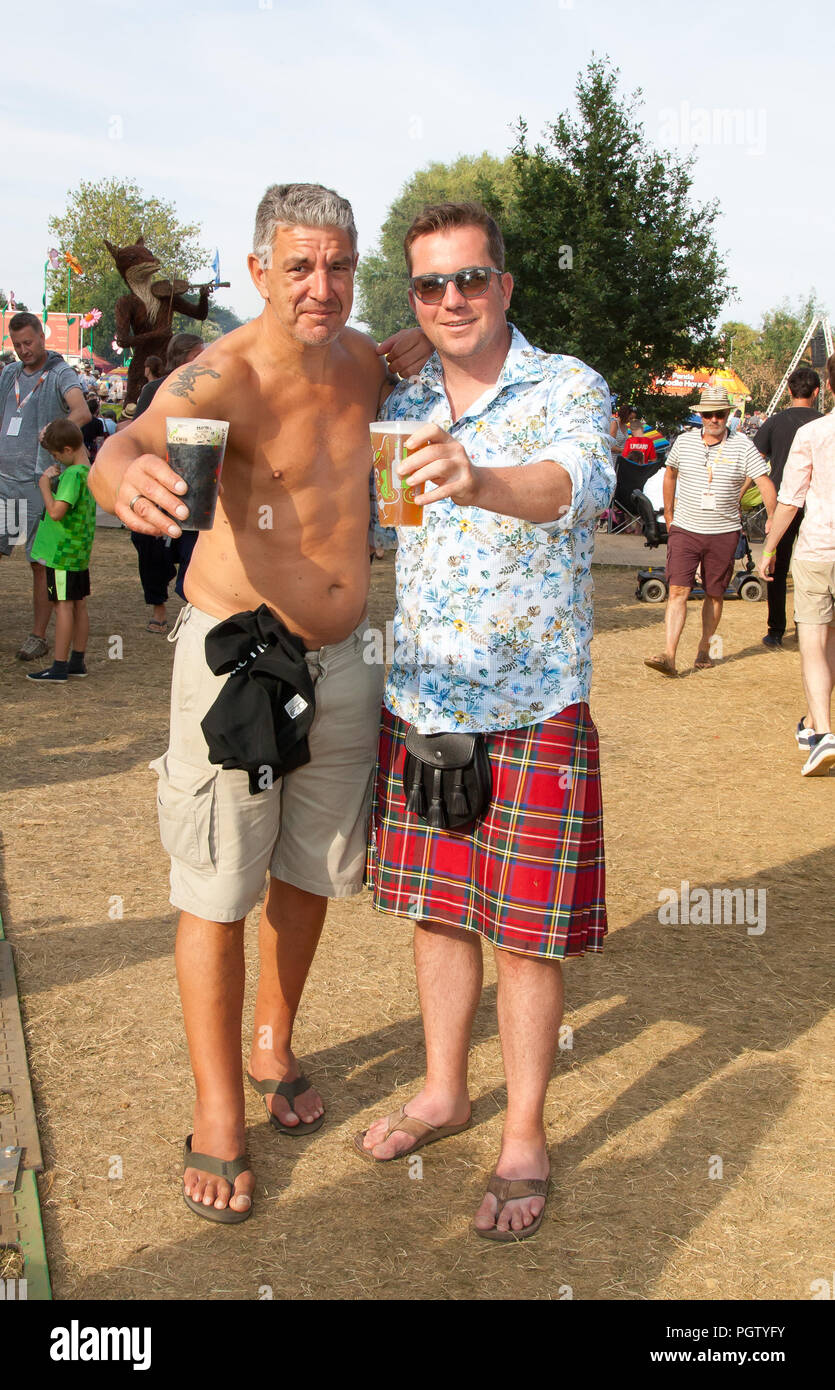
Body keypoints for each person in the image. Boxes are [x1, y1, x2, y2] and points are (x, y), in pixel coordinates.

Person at [89, 182, 431, 1223]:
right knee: (217, 880)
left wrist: (419, 341)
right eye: (298, 266)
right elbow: (127, 441)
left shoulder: (369, 359)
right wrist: (123, 481)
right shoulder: (222, 370)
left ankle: (275, 1039)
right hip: (239, 660)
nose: (320, 285)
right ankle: (216, 1107)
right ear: (256, 273)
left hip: (347, 661)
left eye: (337, 264)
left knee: (312, 867)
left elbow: (404, 420)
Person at [356, 202, 615, 1242]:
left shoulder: (566, 386)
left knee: (524, 935)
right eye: (431, 285)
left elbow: (575, 487)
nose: (453, 298)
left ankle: (521, 1131)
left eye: (470, 279)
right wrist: (380, 362)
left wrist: (479, 477)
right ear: (412, 297)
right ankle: (439, 1089)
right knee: (437, 913)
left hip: (533, 702)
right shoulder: (403, 397)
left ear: (505, 284)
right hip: (422, 697)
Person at [644, 385, 776, 676]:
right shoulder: (684, 442)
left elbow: (764, 483)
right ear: (701, 416)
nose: (714, 420)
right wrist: (668, 512)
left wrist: (772, 522)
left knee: (714, 594)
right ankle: (668, 654)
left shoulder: (743, 446)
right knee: (678, 589)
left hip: (724, 532)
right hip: (686, 530)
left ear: (728, 415)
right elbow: (670, 473)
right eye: (708, 415)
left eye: (720, 414)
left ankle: (705, 646)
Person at [758, 354, 835, 775]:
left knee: (813, 640)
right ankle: (815, 727)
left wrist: (768, 547)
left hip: (818, 546)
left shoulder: (814, 432)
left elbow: (789, 499)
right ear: (818, 389)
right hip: (818, 545)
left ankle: (821, 731)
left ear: (829, 383)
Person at [0, 312, 91, 660]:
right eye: (17, 344)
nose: (24, 350)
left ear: (42, 337)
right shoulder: (9, 374)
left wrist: (57, 432)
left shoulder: (59, 372)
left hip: (37, 484)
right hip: (3, 485)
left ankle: (38, 637)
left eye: (29, 342)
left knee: (39, 564)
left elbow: (81, 411)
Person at [130, 336, 208, 632]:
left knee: (193, 545)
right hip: (159, 479)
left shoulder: (210, 391)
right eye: (198, 355)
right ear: (181, 356)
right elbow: (138, 435)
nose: (205, 360)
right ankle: (158, 606)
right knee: (148, 544)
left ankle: (193, 606)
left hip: (197, 481)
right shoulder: (153, 390)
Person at [753, 367, 820, 648]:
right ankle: (809, 624)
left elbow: (756, 461)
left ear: (790, 391)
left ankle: (776, 629)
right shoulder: (823, 424)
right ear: (816, 392)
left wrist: (740, 493)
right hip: (817, 504)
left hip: (782, 502)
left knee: (776, 567)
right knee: (813, 567)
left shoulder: (775, 422)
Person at [26, 419, 95, 683]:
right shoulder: (89, 472)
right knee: (78, 604)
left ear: (67, 450)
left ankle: (59, 666)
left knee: (62, 606)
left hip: (61, 553)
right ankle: (77, 661)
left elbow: (56, 512)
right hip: (78, 551)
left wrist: (45, 486)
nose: (56, 460)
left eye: (56, 455)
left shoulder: (71, 475)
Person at [81, 393, 107, 461]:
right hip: (93, 450)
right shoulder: (98, 422)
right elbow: (100, 439)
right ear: (97, 410)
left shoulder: (82, 420)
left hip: (82, 449)